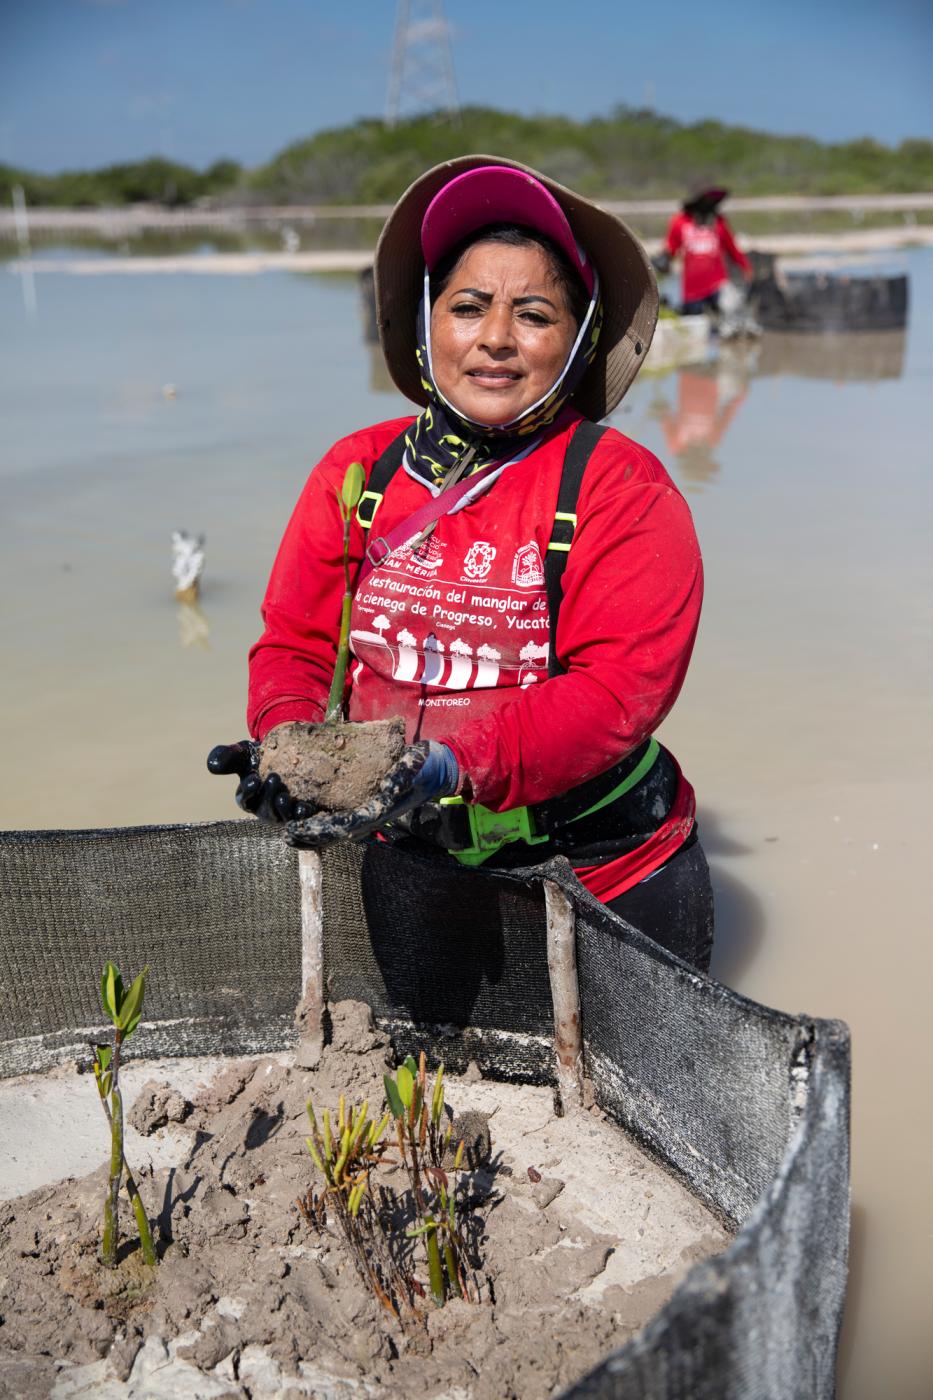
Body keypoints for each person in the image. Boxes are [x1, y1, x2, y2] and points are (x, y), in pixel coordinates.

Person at [209, 156, 714, 970]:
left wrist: (448, 765)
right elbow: (296, 645)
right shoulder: (358, 472)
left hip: (600, 871)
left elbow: (618, 692)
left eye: (536, 315)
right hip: (411, 859)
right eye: (467, 307)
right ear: (426, 324)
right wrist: (286, 742)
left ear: (578, 342)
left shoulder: (621, 486)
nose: (495, 339)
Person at [662, 185, 752, 317]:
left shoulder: (718, 222)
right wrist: (664, 262)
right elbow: (671, 248)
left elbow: (731, 247)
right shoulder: (681, 222)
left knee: (723, 317)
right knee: (695, 320)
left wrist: (745, 266)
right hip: (692, 285)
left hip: (716, 282)